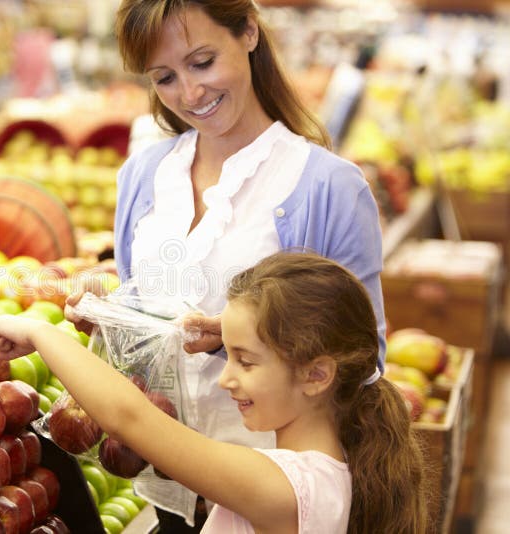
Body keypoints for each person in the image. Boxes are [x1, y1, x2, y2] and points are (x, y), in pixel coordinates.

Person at [66, 1, 387, 529]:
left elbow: (363, 363)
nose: (190, 94)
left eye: (203, 62)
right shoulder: (143, 176)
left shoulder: (328, 187)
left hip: (273, 498)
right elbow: (145, 334)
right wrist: (117, 325)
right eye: (165, 77)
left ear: (249, 33)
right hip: (165, 490)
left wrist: (240, 338)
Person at [0, 252, 427, 533]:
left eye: (246, 360)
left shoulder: (285, 488)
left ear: (316, 376)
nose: (226, 377)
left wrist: (40, 332)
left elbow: (130, 417)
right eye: (228, 353)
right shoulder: (332, 470)